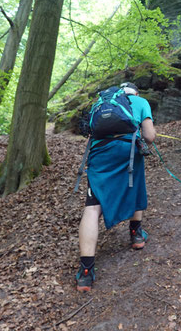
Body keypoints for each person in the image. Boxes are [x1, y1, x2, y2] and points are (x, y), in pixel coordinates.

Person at [75, 82, 156, 292]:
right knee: (135, 186)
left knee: (93, 206)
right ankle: (136, 234)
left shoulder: (100, 104)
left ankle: (86, 272)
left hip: (99, 154)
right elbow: (149, 136)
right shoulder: (140, 101)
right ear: (135, 92)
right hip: (127, 151)